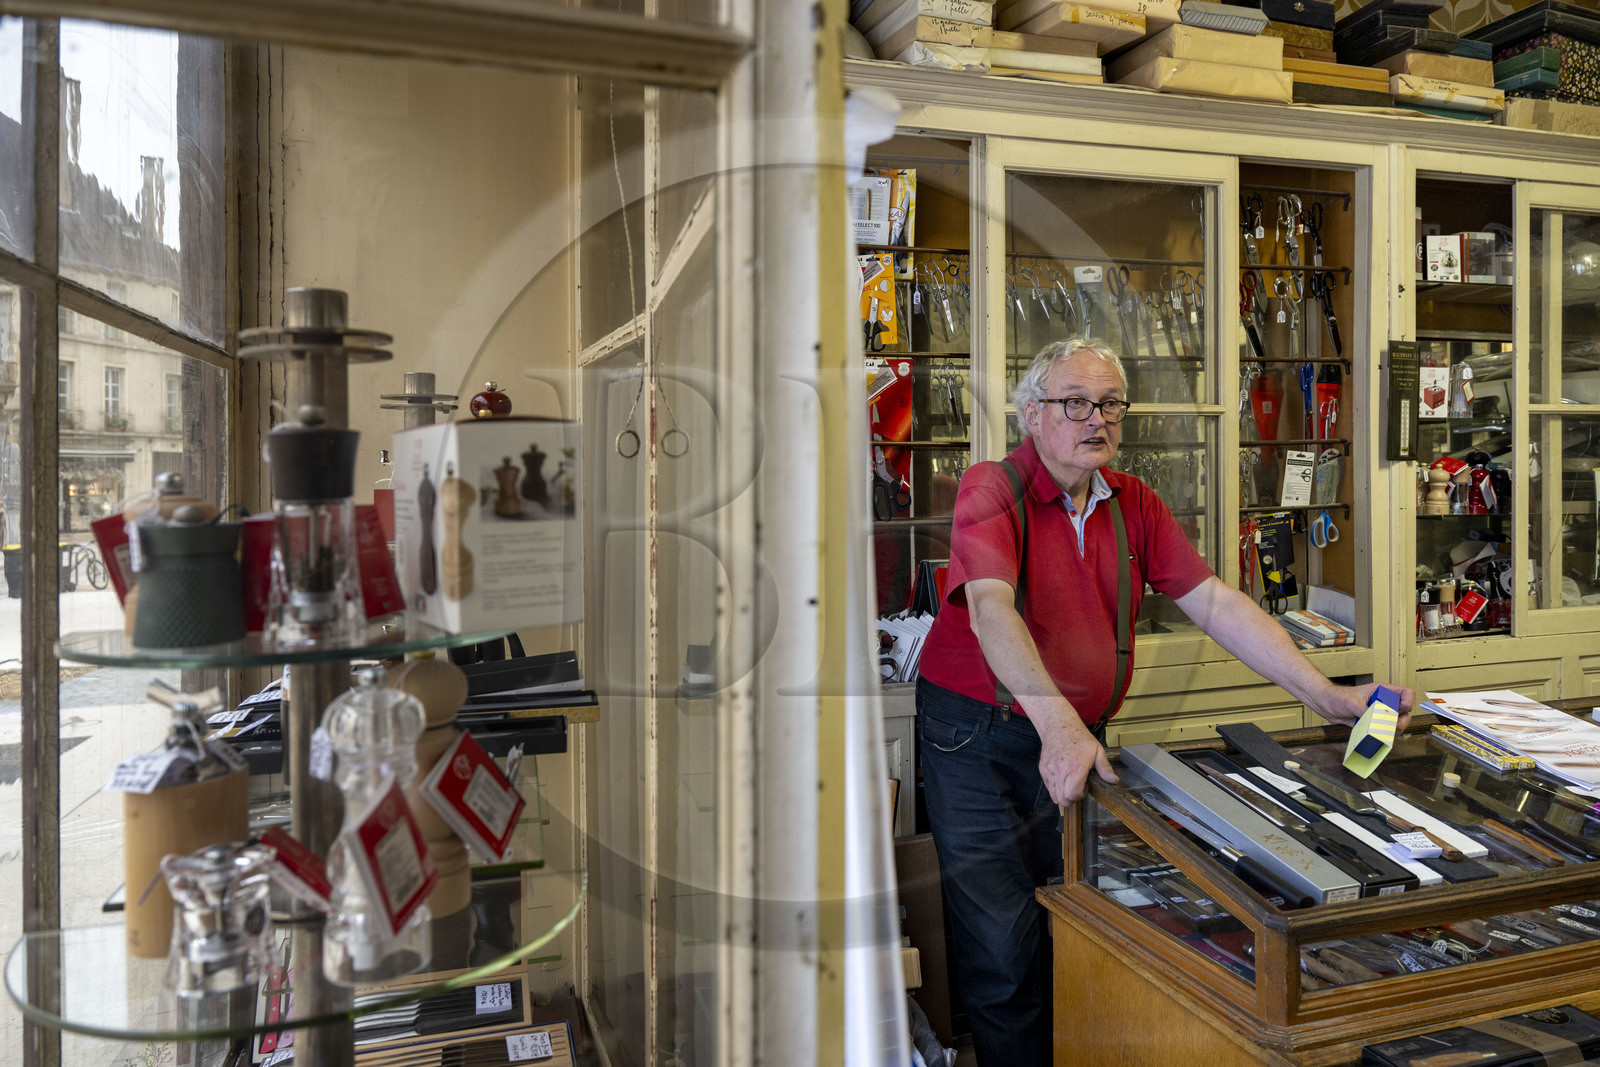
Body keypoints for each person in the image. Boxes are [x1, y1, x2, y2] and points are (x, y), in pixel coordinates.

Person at [915, 338, 1414, 1065]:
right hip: (976, 734)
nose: (1097, 419)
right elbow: (992, 609)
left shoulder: (1134, 502)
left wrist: (1328, 696)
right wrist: (1059, 726)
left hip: (1071, 733)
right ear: (1033, 413)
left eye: (1111, 404)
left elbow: (1216, 603)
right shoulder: (993, 488)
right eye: (1075, 402)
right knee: (1004, 945)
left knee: (1082, 924)